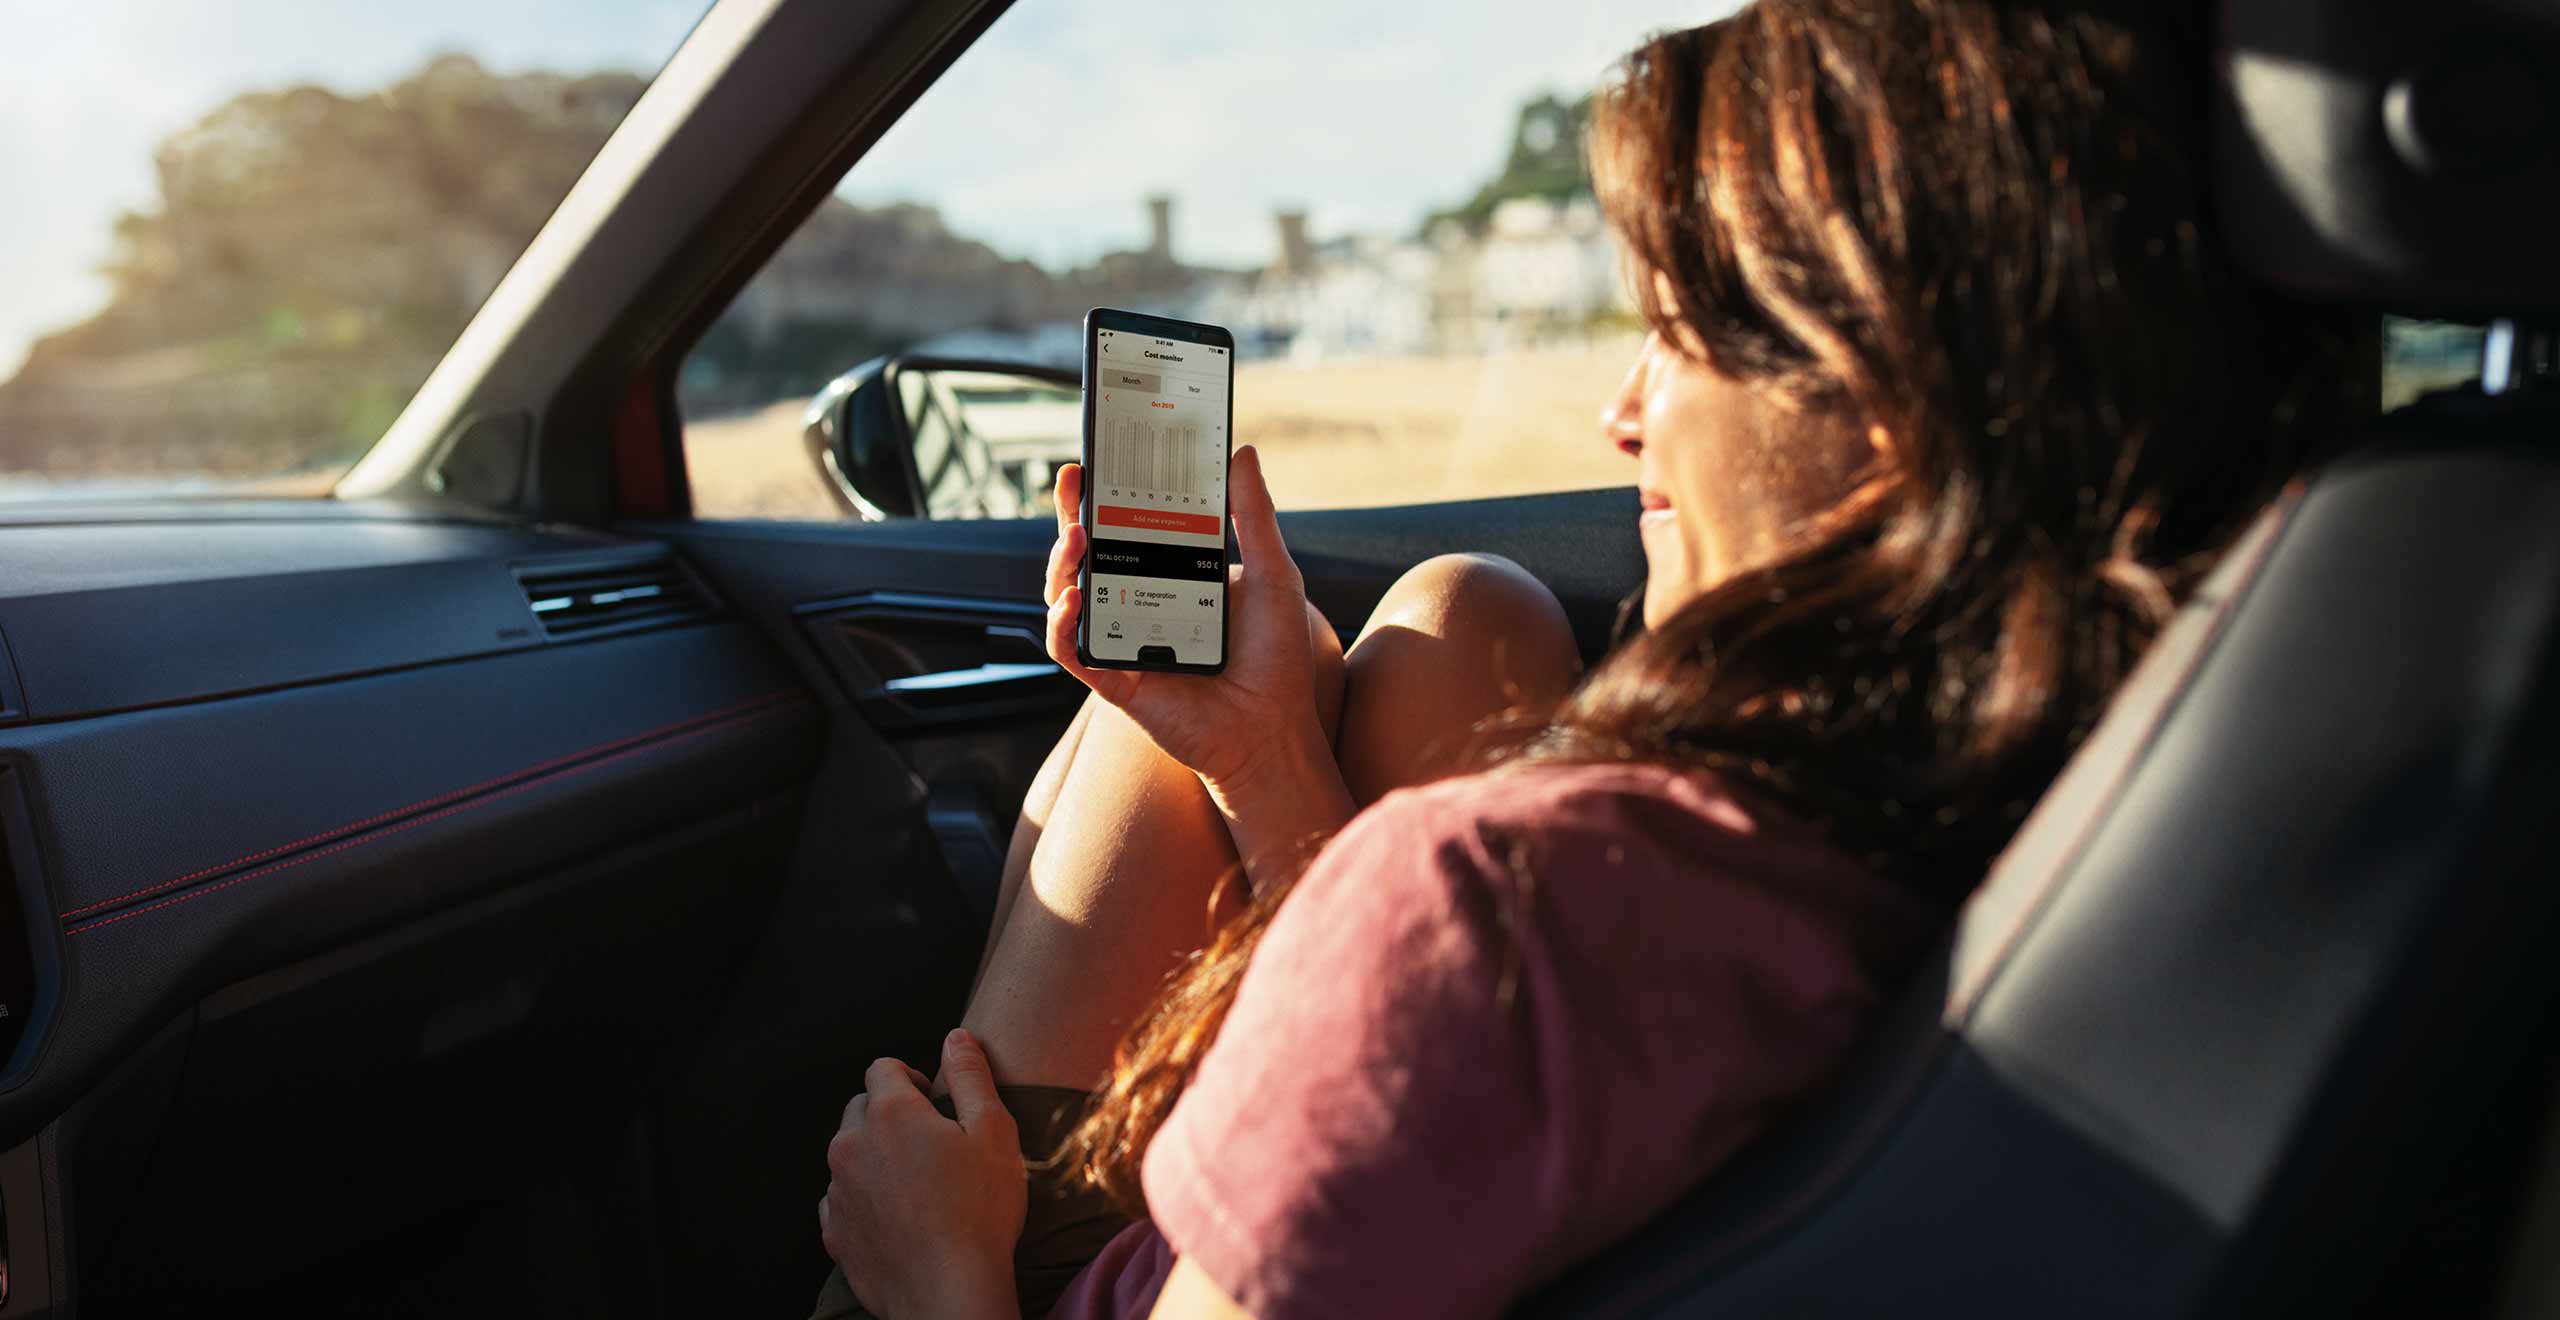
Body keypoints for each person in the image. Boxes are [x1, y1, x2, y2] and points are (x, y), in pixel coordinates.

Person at [813, 1, 2359, 1316]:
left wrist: (941, 1275)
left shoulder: (1496, 910)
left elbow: (1463, 989)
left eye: (1679, 334)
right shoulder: (2110, 765)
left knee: (1137, 749)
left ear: (1886, 422)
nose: (1624, 414)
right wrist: (1273, 761)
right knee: (1460, 615)